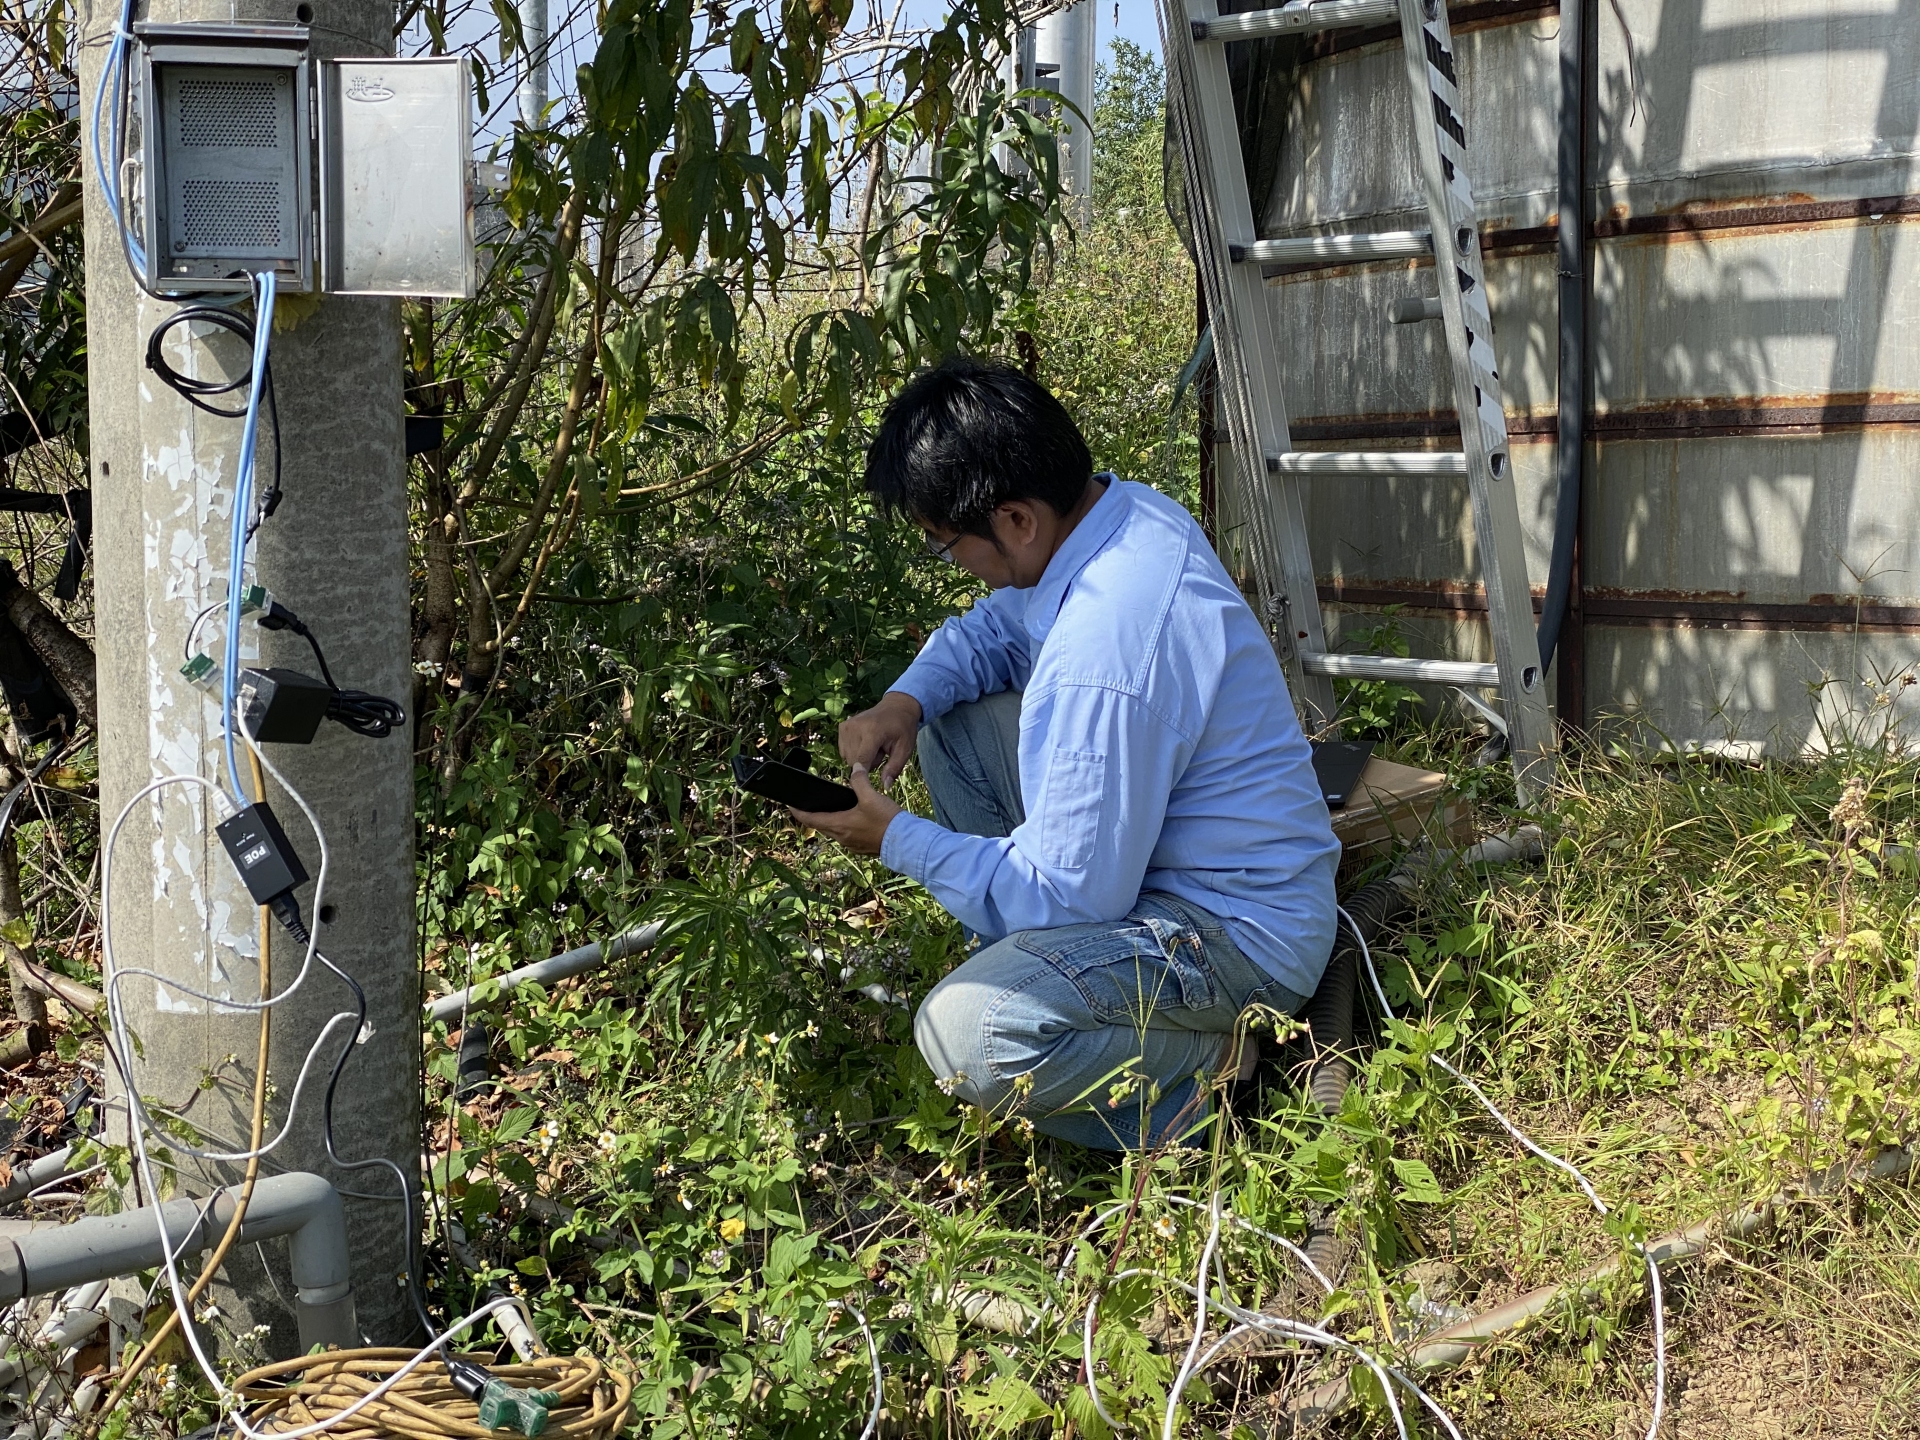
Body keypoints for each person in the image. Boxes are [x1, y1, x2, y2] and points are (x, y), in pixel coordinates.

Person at [791, 355, 1339, 1149]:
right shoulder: (1117, 519)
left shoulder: (1105, 648)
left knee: (966, 1036)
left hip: (1238, 937)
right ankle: (1061, 988)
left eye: (948, 547)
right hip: (1179, 873)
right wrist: (901, 703)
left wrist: (893, 838)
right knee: (953, 723)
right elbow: (994, 629)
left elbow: (1071, 894)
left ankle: (1200, 1082)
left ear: (1016, 520)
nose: (957, 566)